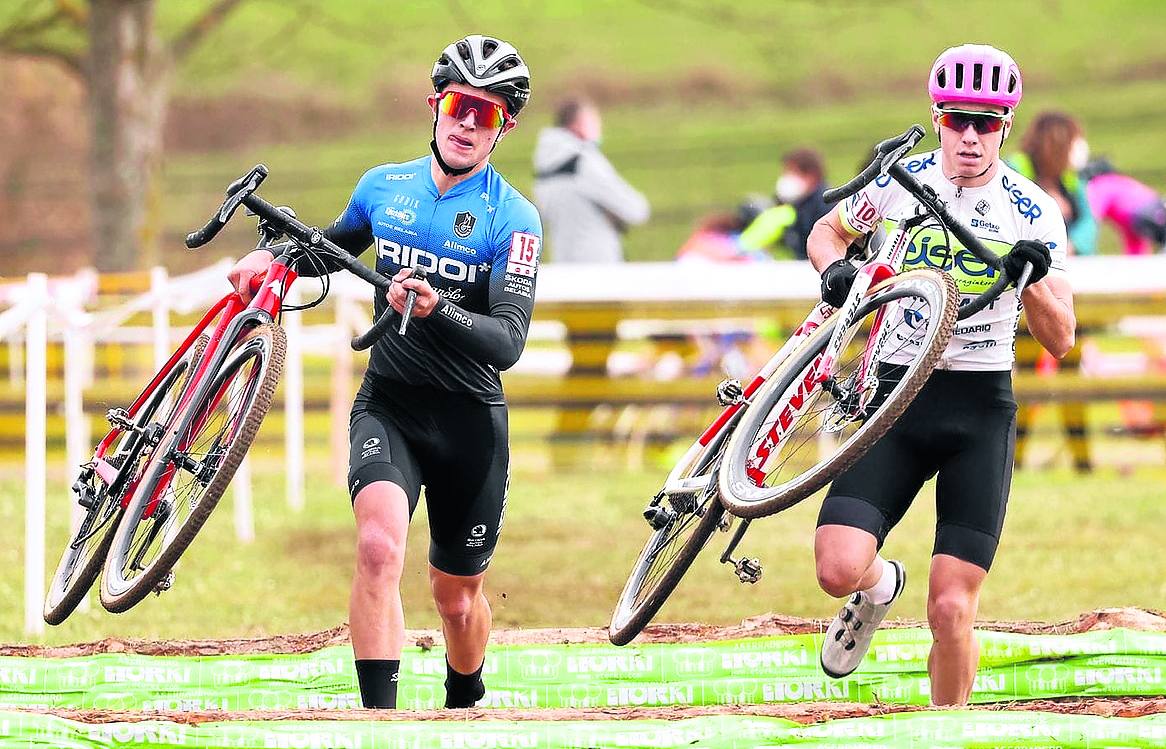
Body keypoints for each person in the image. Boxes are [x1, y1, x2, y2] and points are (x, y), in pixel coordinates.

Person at [226, 35, 541, 710]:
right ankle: (380, 722)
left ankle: (465, 692)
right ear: (435, 106)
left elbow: (508, 340)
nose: (465, 123)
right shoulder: (382, 186)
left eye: (483, 115)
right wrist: (273, 262)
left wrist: (436, 308)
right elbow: (325, 253)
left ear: (502, 127)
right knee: (376, 547)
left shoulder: (514, 218)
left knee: (455, 598)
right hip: (389, 404)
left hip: (469, 421)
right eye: (458, 106)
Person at [806, 44, 1075, 705]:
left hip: (977, 409)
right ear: (937, 116)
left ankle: (949, 730)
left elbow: (1061, 337)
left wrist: (1032, 277)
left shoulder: (1033, 210)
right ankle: (877, 589)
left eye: (988, 121)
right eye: (959, 119)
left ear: (1007, 126)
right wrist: (833, 272)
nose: (972, 137)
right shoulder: (903, 183)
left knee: (952, 608)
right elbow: (826, 232)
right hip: (896, 397)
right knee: (836, 568)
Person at [532, 97, 649, 262]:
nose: (600, 129)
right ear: (577, 124)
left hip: (563, 266)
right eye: (594, 121)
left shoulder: (543, 167)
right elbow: (636, 210)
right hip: (599, 267)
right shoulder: (584, 163)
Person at [1006, 111, 1097, 255]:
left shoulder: (1070, 178)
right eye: (1074, 141)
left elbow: (1088, 223)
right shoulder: (1015, 169)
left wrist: (1071, 246)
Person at [739, 148, 831, 259]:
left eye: (791, 172)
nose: (786, 178)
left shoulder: (826, 206)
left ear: (811, 175)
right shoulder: (795, 204)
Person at [1082, 159, 1166, 255]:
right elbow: (1135, 243)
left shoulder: (1100, 184)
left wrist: (1083, 246)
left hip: (1148, 213)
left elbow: (1091, 217)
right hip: (1156, 209)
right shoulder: (1120, 181)